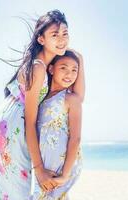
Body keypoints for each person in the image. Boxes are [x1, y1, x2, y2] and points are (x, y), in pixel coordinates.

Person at [0, 9, 85, 200]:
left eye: (65, 34)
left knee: (12, 190)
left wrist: (80, 59)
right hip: (14, 126)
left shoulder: (47, 65)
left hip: (10, 122)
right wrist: (39, 169)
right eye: (54, 34)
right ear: (41, 39)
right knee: (16, 190)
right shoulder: (39, 68)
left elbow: (78, 96)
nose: (61, 39)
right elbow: (30, 122)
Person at [31, 50, 83, 200]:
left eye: (74, 70)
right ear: (51, 69)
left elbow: (76, 138)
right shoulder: (41, 97)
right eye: (63, 68)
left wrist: (65, 175)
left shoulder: (70, 99)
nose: (69, 74)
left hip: (62, 166)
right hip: (43, 163)